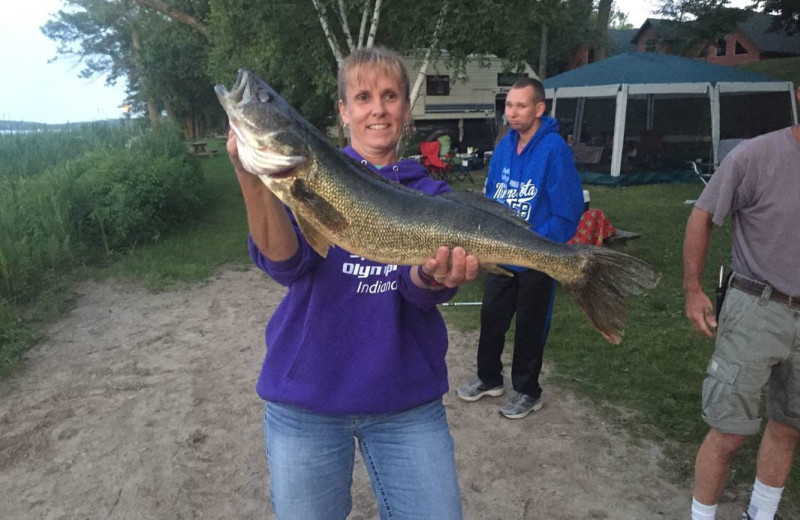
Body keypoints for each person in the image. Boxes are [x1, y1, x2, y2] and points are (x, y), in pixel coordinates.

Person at [226, 46, 479, 519]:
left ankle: (577, 268)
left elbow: (417, 289)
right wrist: (250, 174)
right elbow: (286, 265)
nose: (377, 108)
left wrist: (429, 276)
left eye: (389, 96)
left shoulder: (432, 195)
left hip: (405, 401)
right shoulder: (309, 171)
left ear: (405, 108)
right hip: (307, 399)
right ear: (344, 112)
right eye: (362, 97)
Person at [683, 87, 800, 520]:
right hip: (756, 307)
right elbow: (702, 216)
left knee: (789, 426)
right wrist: (693, 290)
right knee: (729, 432)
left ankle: (761, 514)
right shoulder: (755, 156)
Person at [456, 77, 583, 419]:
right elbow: (493, 198)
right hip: (501, 251)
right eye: (508, 105)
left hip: (538, 255)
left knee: (530, 323)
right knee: (492, 316)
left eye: (520, 106)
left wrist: (539, 244)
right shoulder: (504, 147)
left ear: (539, 109)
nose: (511, 113)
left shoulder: (554, 149)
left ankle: (528, 390)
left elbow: (568, 211)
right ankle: (488, 378)